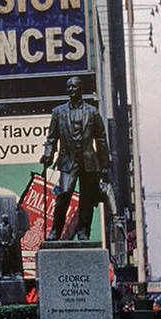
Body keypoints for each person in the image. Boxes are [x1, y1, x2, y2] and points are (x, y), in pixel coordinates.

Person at [40, 76, 111, 241]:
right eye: (68, 87)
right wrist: (48, 155)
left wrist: (104, 164)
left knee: (87, 199)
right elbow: (52, 137)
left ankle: (83, 231)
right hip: (68, 161)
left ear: (81, 89)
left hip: (89, 161)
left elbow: (101, 139)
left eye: (74, 87)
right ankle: (55, 231)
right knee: (63, 196)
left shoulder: (92, 113)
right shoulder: (58, 112)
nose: (70, 90)